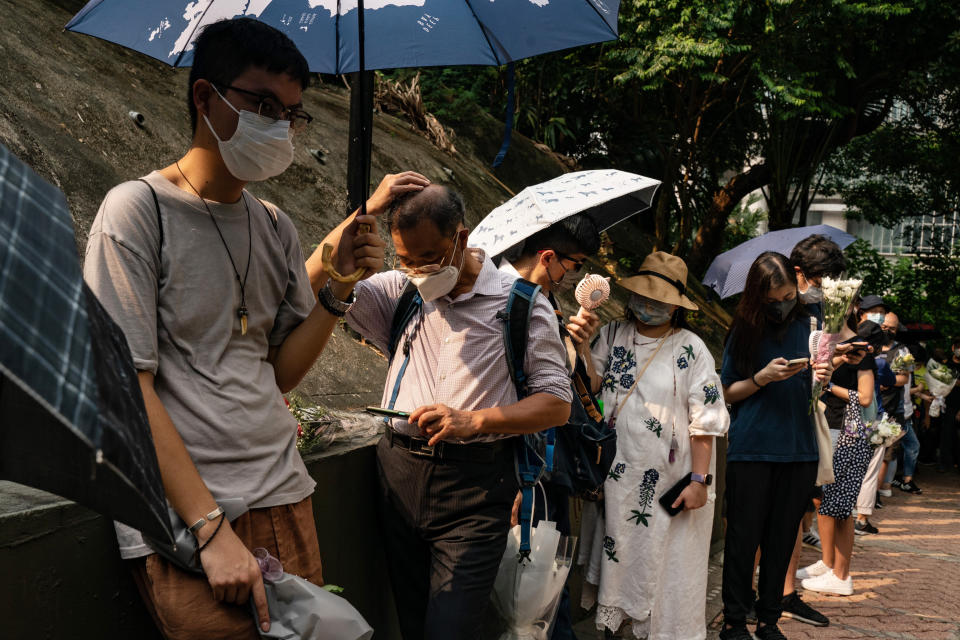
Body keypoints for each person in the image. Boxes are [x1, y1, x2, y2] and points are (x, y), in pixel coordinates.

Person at [82, 18, 398, 639]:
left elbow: (277, 369)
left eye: (292, 112)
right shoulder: (136, 213)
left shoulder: (275, 225)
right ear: (205, 97)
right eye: (261, 104)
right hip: (195, 518)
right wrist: (207, 528)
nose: (279, 124)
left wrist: (336, 292)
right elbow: (124, 385)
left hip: (285, 493)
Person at [309, 185, 573, 640]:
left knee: (450, 628)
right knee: (412, 622)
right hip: (397, 476)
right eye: (405, 259)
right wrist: (366, 211)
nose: (416, 271)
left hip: (475, 489)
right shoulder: (400, 292)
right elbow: (311, 281)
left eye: (429, 257)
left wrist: (475, 420)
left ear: (461, 238)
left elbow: (557, 405)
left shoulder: (521, 305)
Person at [578, 252, 729, 640]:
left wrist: (699, 480)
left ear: (676, 308)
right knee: (617, 551)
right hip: (613, 470)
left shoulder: (692, 350)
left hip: (666, 477)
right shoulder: (611, 333)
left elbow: (706, 421)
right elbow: (592, 387)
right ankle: (614, 629)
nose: (647, 306)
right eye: (643, 296)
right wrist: (580, 346)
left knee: (659, 558)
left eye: (659, 300)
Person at [498, 213, 603, 640]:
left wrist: (581, 346)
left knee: (550, 577)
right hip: (520, 465)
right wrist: (512, 483)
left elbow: (587, 390)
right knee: (528, 587)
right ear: (548, 256)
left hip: (552, 466)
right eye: (575, 265)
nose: (573, 275)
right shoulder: (501, 300)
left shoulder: (548, 304)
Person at [719, 252, 832, 640]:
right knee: (742, 541)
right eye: (773, 299)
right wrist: (762, 378)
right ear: (758, 297)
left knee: (781, 540)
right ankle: (734, 623)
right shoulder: (744, 328)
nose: (783, 304)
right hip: (751, 448)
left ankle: (769, 621)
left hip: (799, 449)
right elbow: (727, 392)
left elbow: (816, 390)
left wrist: (822, 374)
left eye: (788, 295)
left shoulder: (811, 322)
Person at [774, 234, 846, 627]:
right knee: (758, 515)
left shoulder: (816, 316)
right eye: (820, 280)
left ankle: (785, 592)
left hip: (805, 420)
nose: (823, 289)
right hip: (768, 425)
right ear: (798, 273)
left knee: (796, 513)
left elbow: (819, 372)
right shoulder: (768, 312)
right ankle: (752, 593)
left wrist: (826, 368)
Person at [798, 319, 877, 596]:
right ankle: (829, 564)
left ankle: (841, 575)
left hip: (845, 431)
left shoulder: (860, 349)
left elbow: (865, 397)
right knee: (824, 499)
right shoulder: (825, 343)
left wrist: (830, 384)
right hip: (826, 424)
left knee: (841, 506)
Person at [852, 295, 897, 535]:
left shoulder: (845, 355)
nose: (879, 315)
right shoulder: (878, 363)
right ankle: (861, 518)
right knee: (869, 472)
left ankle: (847, 514)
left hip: (847, 419)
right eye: (875, 311)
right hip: (872, 418)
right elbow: (890, 383)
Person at [938, 338, 960, 473]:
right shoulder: (945, 365)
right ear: (953, 348)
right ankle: (944, 463)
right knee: (946, 435)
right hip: (946, 405)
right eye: (958, 346)